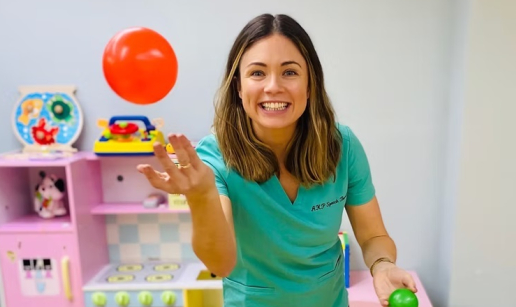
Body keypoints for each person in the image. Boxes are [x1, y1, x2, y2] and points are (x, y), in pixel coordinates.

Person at [137, 13, 417, 307]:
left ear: (310, 85)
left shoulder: (342, 146)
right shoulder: (214, 155)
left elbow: (373, 236)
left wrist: (382, 264)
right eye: (257, 73)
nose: (273, 86)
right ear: (239, 87)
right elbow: (219, 263)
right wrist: (201, 196)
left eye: (290, 72)